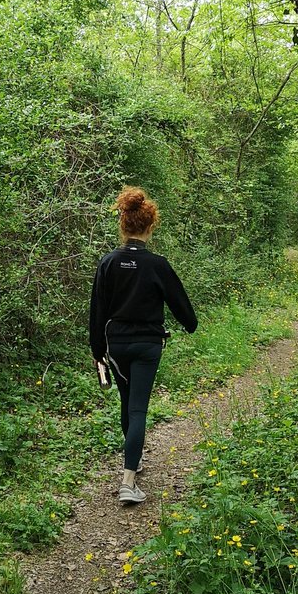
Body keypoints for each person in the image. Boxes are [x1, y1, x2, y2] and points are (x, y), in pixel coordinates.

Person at [90, 186, 198, 504]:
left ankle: (133, 459)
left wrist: (98, 352)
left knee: (127, 402)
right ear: (150, 227)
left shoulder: (108, 263)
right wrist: (189, 324)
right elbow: (184, 311)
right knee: (138, 408)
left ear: (123, 226)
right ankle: (127, 482)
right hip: (148, 346)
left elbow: (97, 311)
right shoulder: (157, 265)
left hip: (117, 348)